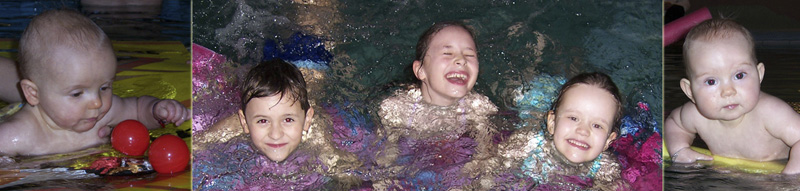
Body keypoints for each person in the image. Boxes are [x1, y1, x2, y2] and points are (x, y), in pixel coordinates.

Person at [0, 9, 189, 156]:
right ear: (33, 93)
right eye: (77, 93)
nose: (97, 102)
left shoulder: (102, 115)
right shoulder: (14, 137)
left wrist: (157, 111)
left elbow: (138, 109)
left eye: (104, 87)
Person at [192, 59, 360, 190]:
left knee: (315, 65)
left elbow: (349, 172)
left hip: (312, 70)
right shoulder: (233, 126)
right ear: (245, 122)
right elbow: (195, 145)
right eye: (262, 121)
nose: (275, 133)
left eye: (288, 120)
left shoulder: (316, 135)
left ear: (306, 120)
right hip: (285, 94)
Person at [374, 21, 500, 189]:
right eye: (447, 53)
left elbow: (486, 153)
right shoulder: (397, 108)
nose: (461, 60)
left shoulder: (478, 107)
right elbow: (385, 156)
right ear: (421, 70)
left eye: (469, 55)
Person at [665, 18, 800, 174]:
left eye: (739, 75)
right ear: (690, 91)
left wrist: (790, 178)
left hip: (776, 175)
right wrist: (679, 149)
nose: (728, 91)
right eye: (711, 81)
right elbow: (675, 123)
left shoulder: (772, 113)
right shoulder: (696, 115)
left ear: (759, 74)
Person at [500, 72, 628, 190]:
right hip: (534, 105)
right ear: (552, 123)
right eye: (573, 118)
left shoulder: (606, 168)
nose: (583, 131)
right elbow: (490, 169)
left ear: (608, 140)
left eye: (597, 125)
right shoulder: (528, 144)